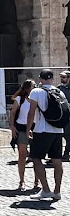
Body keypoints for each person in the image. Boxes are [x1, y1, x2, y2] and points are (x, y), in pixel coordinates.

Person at [27, 70, 64, 200]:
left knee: (36, 158)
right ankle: (57, 191)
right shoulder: (59, 92)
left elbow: (31, 112)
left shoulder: (36, 91)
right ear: (52, 79)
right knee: (57, 160)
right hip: (58, 130)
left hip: (41, 130)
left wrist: (28, 129)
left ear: (40, 79)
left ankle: (46, 189)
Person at [9, 79, 37, 191]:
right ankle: (22, 180)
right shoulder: (19, 99)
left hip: (35, 128)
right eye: (33, 87)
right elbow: (12, 113)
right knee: (22, 155)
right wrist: (12, 126)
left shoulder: (37, 99)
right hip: (21, 127)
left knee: (36, 156)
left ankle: (37, 180)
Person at [57, 71, 70, 161]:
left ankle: (66, 153)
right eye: (61, 77)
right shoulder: (59, 88)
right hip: (60, 116)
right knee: (58, 136)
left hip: (68, 116)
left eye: (64, 77)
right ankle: (57, 155)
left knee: (68, 136)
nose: (62, 79)